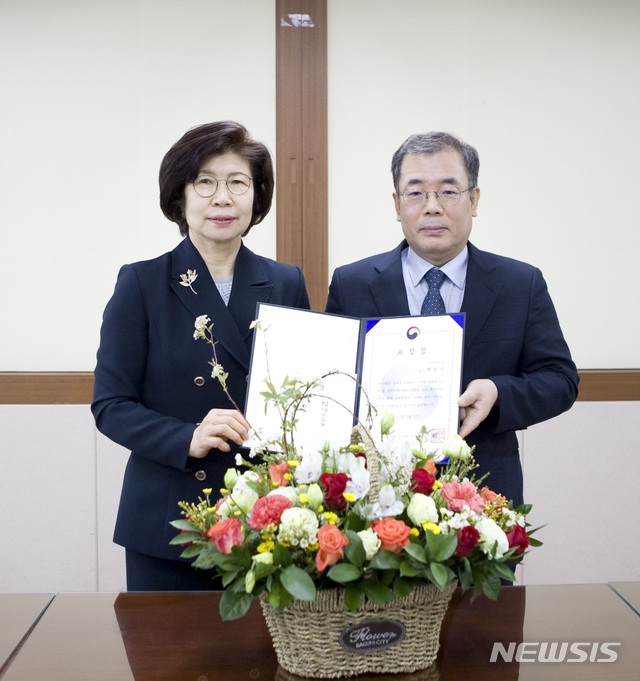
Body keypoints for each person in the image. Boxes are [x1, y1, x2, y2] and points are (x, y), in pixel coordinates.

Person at [92, 121, 310, 590]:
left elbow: (304, 396)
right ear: (180, 197)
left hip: (264, 517)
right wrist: (185, 436)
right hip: (168, 521)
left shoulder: (286, 282)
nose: (222, 198)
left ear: (256, 197)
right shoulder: (141, 283)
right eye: (205, 182)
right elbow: (110, 406)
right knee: (166, 662)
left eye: (237, 182)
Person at [325, 131, 578, 507]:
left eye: (448, 191)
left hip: (484, 494)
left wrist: (497, 392)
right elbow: (331, 387)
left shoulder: (519, 284)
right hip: (377, 496)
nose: (432, 207)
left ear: (473, 199)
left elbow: (560, 380)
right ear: (397, 205)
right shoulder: (352, 284)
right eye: (416, 193)